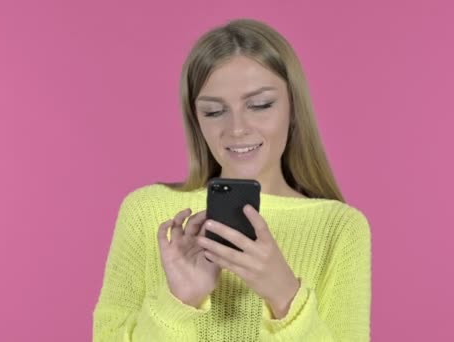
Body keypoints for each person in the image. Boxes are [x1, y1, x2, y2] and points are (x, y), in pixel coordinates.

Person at [93, 18, 371, 341]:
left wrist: (285, 297)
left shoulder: (340, 229)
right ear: (195, 119)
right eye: (214, 111)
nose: (237, 128)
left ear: (293, 108)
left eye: (260, 105)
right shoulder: (147, 212)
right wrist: (179, 302)